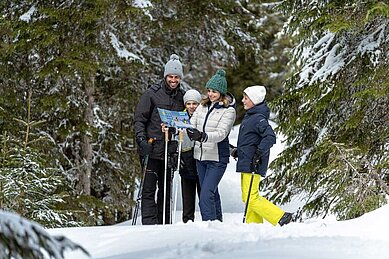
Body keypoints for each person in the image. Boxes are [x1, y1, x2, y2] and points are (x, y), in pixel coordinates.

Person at [134, 54, 185, 225]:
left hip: (169, 151)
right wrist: (141, 140)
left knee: (166, 189)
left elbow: (186, 121)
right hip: (151, 148)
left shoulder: (182, 97)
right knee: (148, 189)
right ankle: (149, 224)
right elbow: (140, 119)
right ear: (165, 76)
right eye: (170, 76)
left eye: (176, 77)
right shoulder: (152, 93)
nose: (173, 80)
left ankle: (164, 223)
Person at [231, 85, 292, 226]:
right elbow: (250, 142)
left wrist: (258, 153)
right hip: (247, 162)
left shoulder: (258, 118)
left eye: (246, 98)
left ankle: (281, 216)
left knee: (251, 198)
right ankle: (254, 225)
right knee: (248, 197)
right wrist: (238, 151)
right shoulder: (251, 117)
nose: (242, 100)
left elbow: (270, 137)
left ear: (254, 100)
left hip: (254, 163)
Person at [187, 69, 236, 222]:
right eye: (209, 91)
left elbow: (222, 133)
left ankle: (208, 225)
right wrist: (182, 128)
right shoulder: (202, 106)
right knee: (212, 193)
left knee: (205, 195)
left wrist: (203, 136)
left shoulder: (229, 111)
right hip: (200, 157)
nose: (210, 94)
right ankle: (218, 224)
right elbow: (191, 123)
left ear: (221, 92)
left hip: (217, 158)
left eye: (214, 91)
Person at [179, 89, 202, 223]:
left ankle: (208, 221)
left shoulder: (203, 116)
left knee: (203, 194)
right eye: (189, 104)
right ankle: (187, 221)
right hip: (186, 158)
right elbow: (176, 137)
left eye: (195, 103)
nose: (192, 106)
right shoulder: (180, 117)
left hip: (200, 158)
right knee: (187, 196)